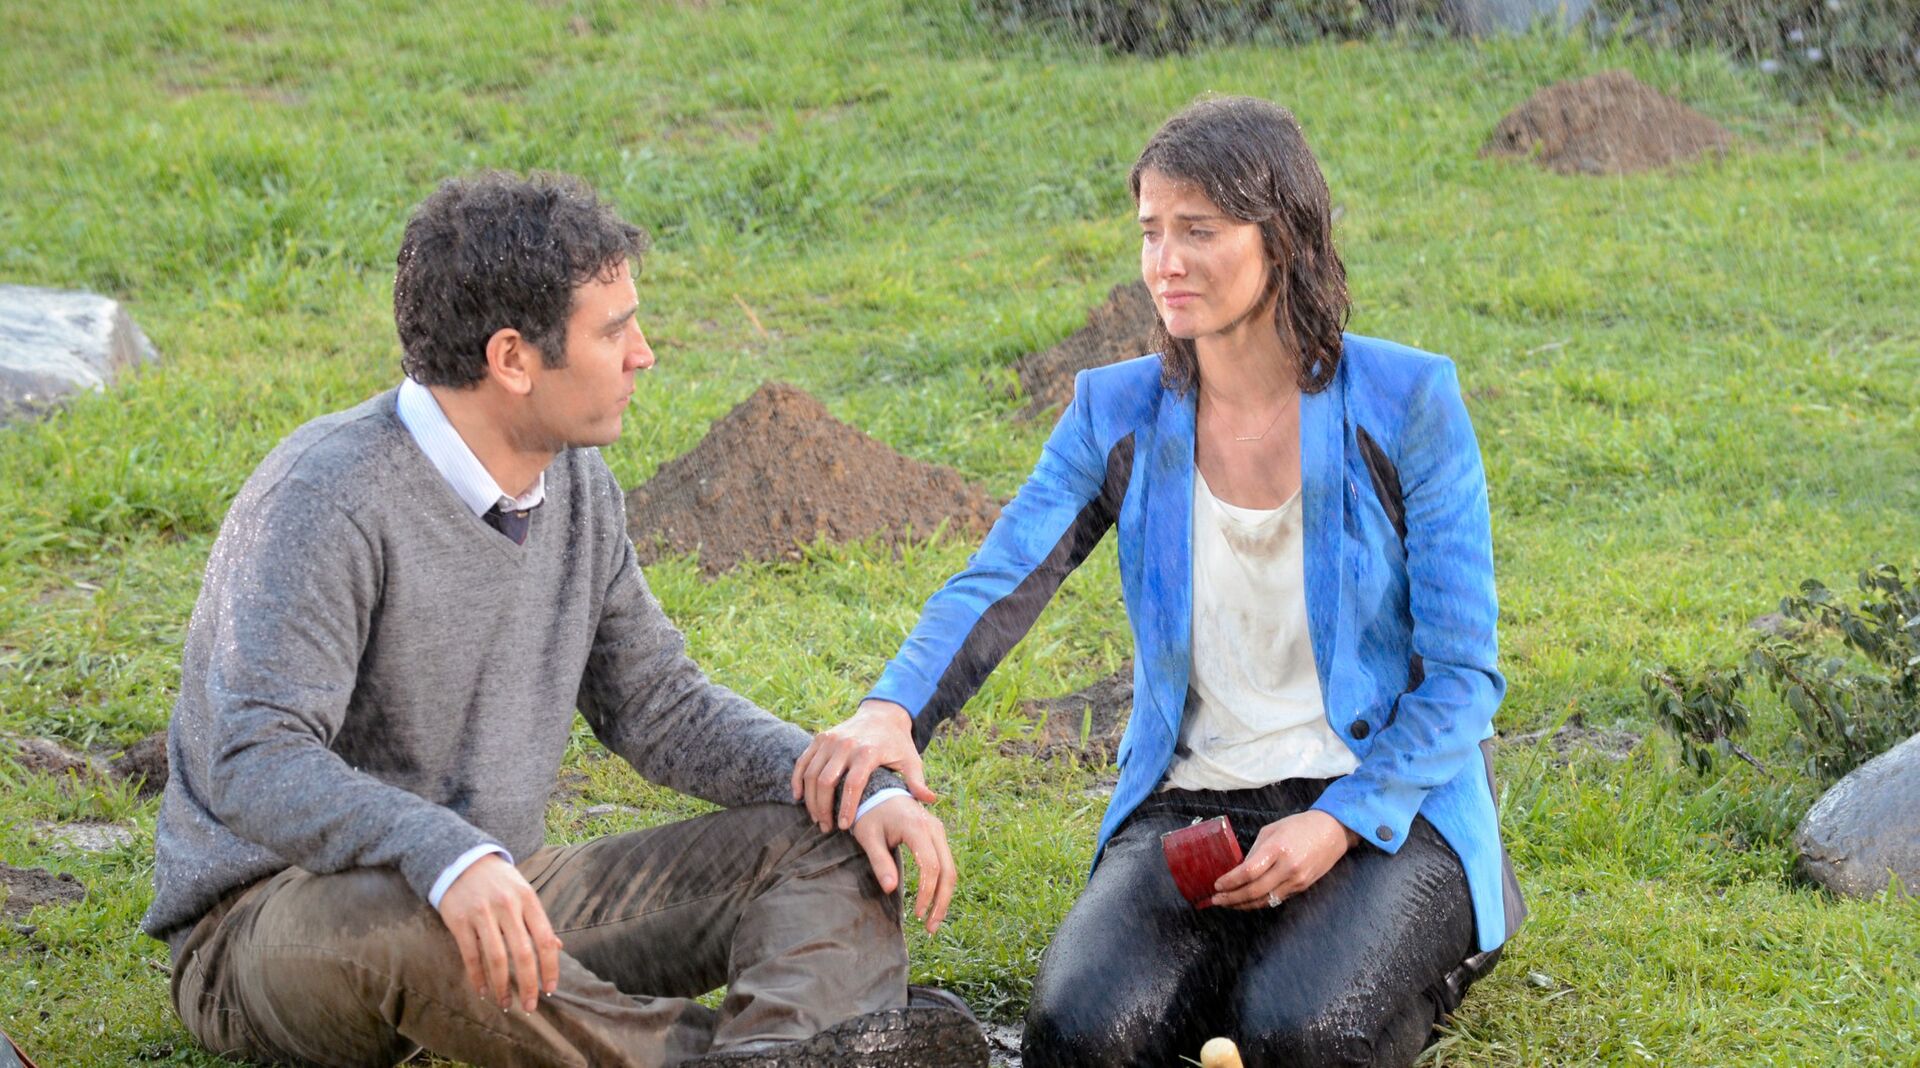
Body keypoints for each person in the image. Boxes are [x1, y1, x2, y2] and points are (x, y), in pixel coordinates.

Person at [141, 171, 985, 1068]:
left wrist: (848, 784)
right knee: (412, 919)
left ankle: (780, 1052)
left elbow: (656, 703)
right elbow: (252, 756)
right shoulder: (326, 498)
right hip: (278, 927)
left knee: (833, 845)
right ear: (512, 360)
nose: (645, 353)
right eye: (614, 331)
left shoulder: (574, 482)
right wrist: (446, 856)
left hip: (504, 897)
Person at [793, 97, 1526, 1066]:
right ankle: (1272, 961)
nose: (1164, 263)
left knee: (1298, 1033)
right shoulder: (1118, 410)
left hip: (1386, 798)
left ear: (1283, 237)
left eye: (1199, 231)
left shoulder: (1406, 400)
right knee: (1081, 1039)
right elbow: (1003, 576)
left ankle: (1440, 943)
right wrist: (893, 710)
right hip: (1195, 806)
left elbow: (1464, 677)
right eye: (1150, 232)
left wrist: (1339, 824)